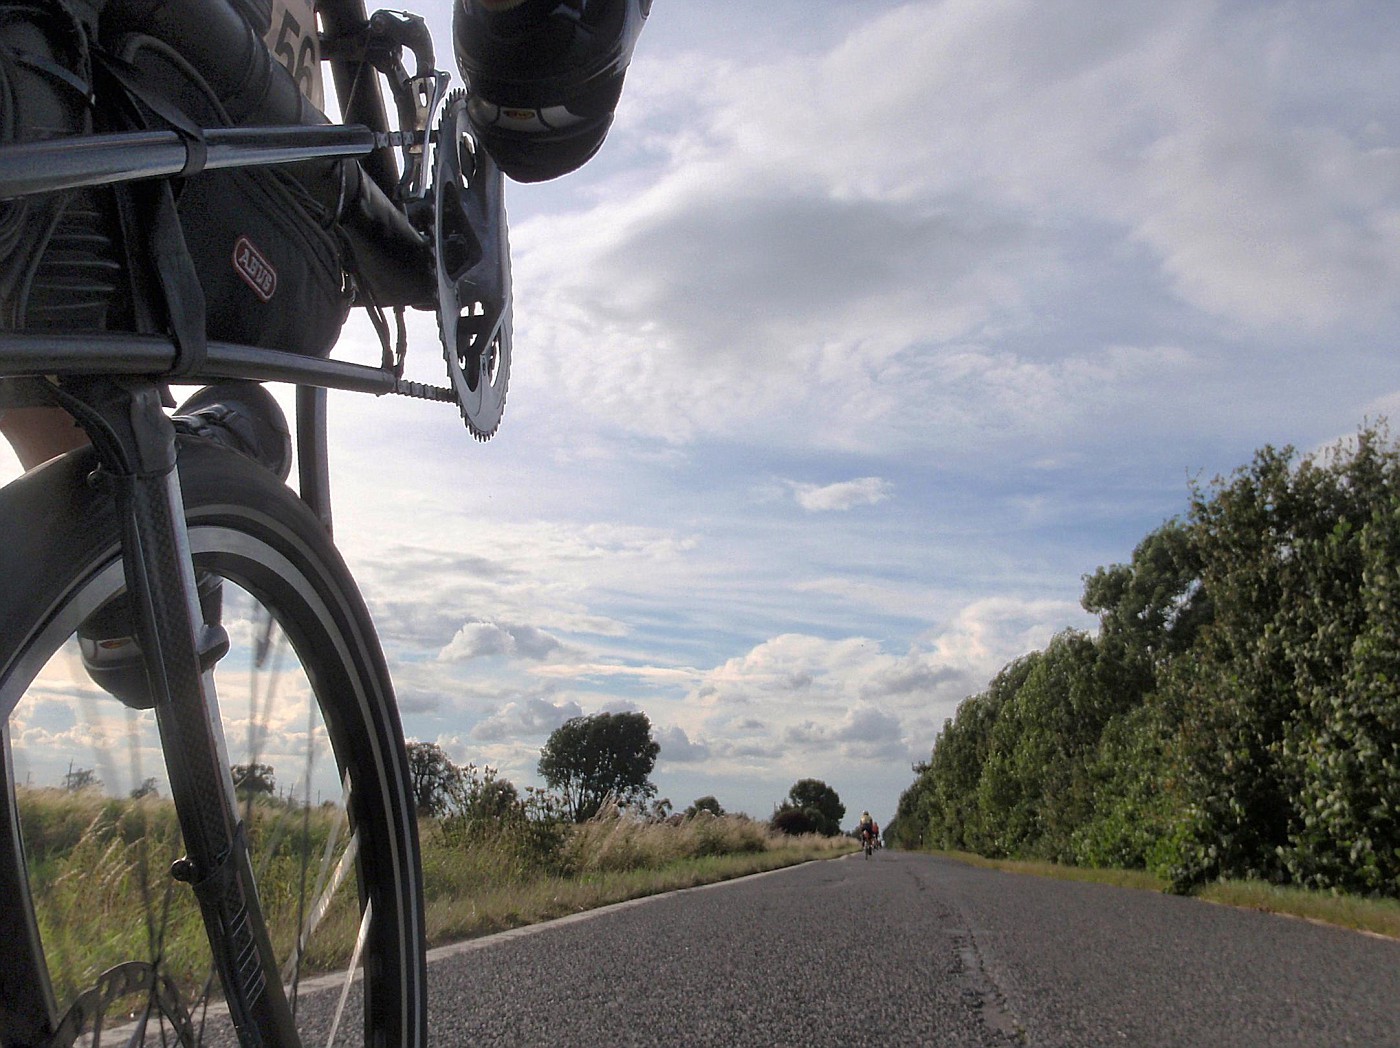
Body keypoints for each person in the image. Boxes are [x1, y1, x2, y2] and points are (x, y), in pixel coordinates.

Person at [1, 0, 650, 698]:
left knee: (47, 303)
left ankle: (129, 559)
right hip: (229, 177)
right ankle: (145, 538)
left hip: (147, 153)